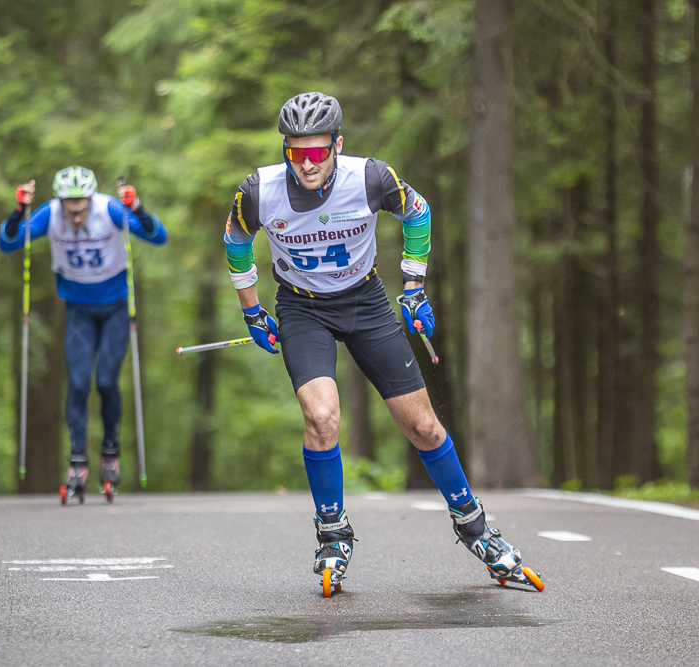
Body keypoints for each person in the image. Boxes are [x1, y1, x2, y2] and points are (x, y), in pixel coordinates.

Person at [224, 92, 531, 591]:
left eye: (318, 152)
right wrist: (252, 310)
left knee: (423, 426)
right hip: (302, 308)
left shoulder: (370, 177)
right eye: (296, 152)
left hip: (365, 302)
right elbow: (237, 240)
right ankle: (332, 534)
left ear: (337, 146)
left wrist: (414, 287)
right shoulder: (258, 190)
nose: (307, 163)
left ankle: (475, 527)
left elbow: (418, 212)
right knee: (321, 416)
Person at [0, 166, 167, 502]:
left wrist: (137, 209)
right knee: (77, 382)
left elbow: (156, 235)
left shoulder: (109, 210)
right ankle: (77, 459)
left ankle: (110, 450)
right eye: (69, 211)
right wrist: (19, 211)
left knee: (106, 381)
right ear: (61, 202)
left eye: (81, 210)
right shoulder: (49, 214)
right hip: (77, 309)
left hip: (116, 308)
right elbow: (9, 242)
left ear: (91, 199)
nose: (75, 218)